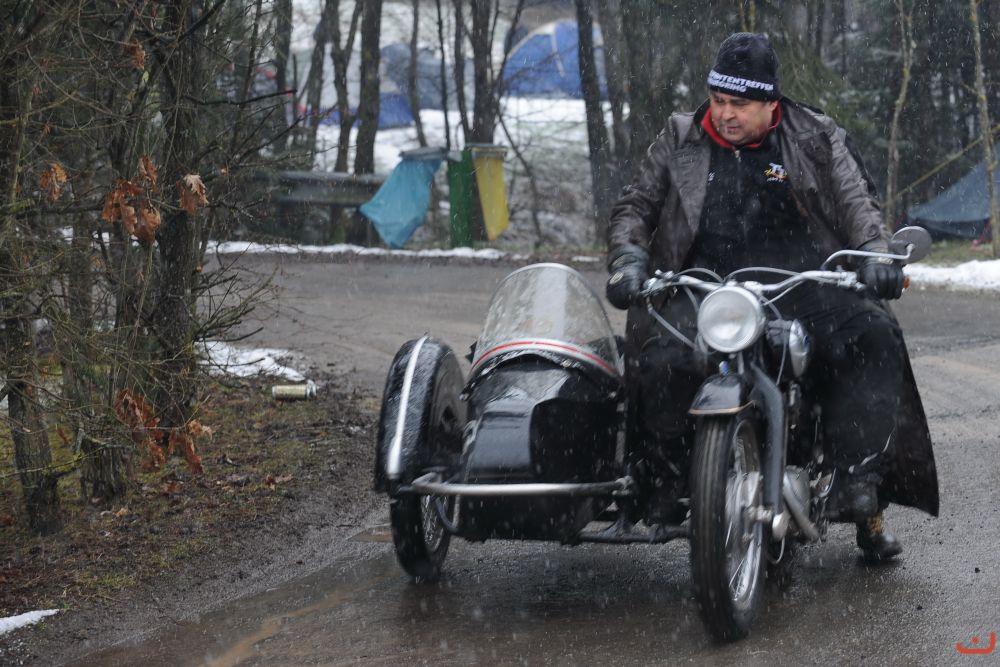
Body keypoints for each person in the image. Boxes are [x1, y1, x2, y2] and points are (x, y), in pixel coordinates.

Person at [605, 32, 938, 560]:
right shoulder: (680, 136)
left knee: (872, 334)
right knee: (661, 358)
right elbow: (635, 206)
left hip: (801, 283)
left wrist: (876, 256)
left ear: (770, 103)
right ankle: (668, 479)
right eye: (718, 100)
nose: (725, 114)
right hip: (704, 287)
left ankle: (858, 481)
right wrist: (628, 258)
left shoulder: (815, 134)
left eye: (739, 104)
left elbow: (857, 202)